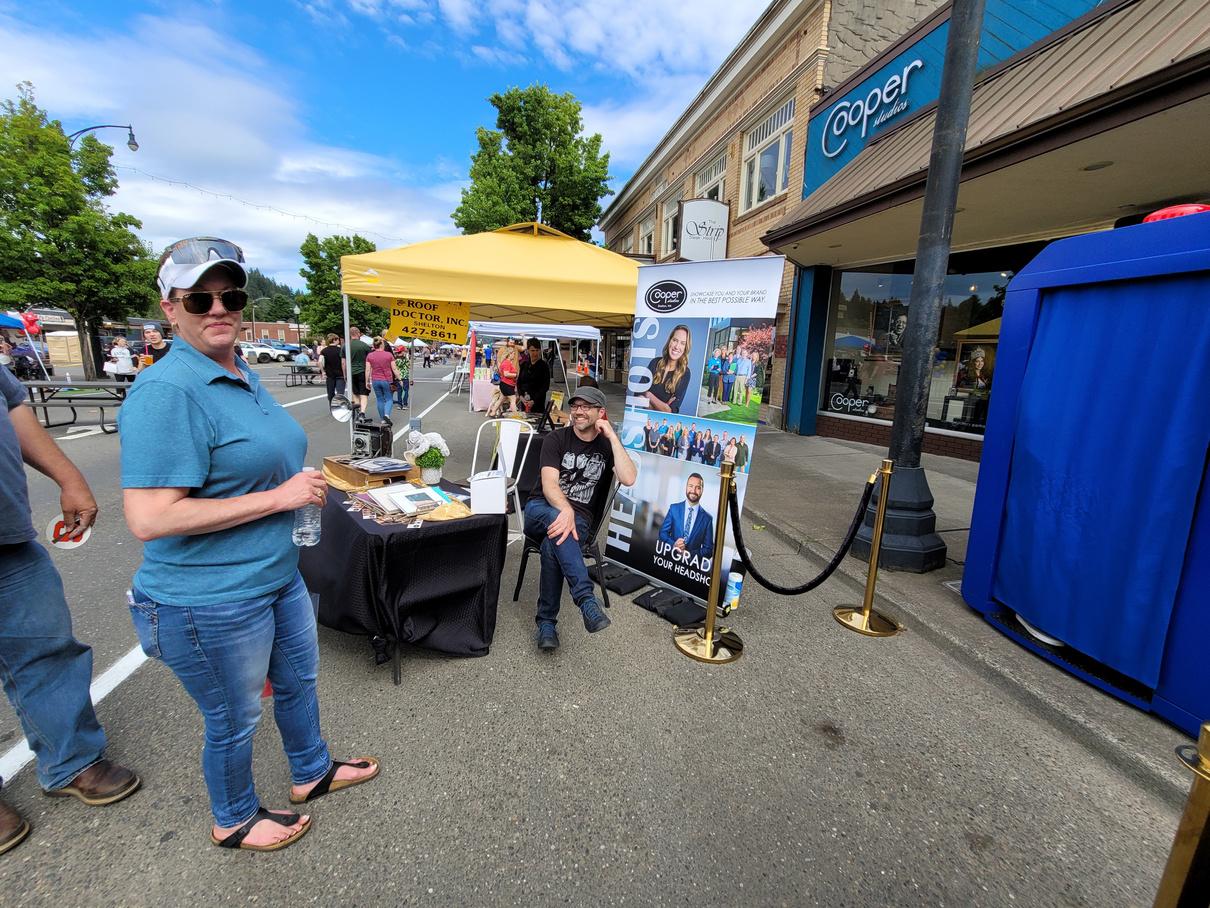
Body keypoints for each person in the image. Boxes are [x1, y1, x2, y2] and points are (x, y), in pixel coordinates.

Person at [119, 236, 378, 853]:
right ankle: (233, 817)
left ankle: (311, 771)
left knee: (298, 681)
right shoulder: (168, 390)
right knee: (234, 717)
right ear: (169, 308)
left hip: (276, 576)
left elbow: (256, 465)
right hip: (210, 597)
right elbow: (149, 518)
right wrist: (279, 498)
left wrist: (295, 485)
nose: (218, 309)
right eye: (199, 299)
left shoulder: (239, 373)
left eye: (229, 296)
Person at [0, 365, 141, 855]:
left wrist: (69, 476)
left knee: (48, 648)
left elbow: (14, 408)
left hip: (9, 538)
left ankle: (71, 761)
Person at [523, 386, 636, 651]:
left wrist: (613, 437)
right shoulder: (556, 439)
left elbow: (629, 478)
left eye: (586, 407)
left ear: (600, 412)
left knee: (553, 542)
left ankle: (546, 624)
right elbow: (549, 485)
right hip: (540, 509)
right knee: (559, 522)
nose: (578, 411)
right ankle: (586, 600)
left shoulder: (606, 446)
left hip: (580, 521)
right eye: (575, 406)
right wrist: (566, 511)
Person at [658, 473, 715, 562]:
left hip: (691, 565)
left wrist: (689, 554)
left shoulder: (707, 519)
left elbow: (708, 550)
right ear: (686, 487)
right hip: (669, 561)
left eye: (698, 487)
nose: (693, 490)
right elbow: (662, 533)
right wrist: (673, 544)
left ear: (702, 490)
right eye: (691, 486)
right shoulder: (674, 508)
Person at [642, 325, 692, 414]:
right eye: (675, 340)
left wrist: (648, 395)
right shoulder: (655, 362)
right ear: (670, 341)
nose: (677, 346)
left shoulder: (685, 373)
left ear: (685, 348)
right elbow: (638, 394)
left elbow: (671, 411)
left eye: (682, 343)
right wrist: (663, 406)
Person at [366, 336, 399, 422]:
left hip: (375, 380)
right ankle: (387, 415)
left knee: (379, 399)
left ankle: (382, 419)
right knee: (389, 398)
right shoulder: (389, 355)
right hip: (386, 380)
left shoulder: (370, 355)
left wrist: (367, 381)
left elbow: (367, 370)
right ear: (381, 344)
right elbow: (394, 369)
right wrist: (399, 378)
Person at [344, 326, 371, 416]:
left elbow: (343, 363)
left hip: (351, 372)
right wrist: (369, 377)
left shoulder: (345, 346)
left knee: (355, 393)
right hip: (362, 371)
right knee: (364, 394)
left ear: (350, 334)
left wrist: (345, 375)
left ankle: (358, 410)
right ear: (358, 334)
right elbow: (369, 362)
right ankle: (362, 412)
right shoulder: (365, 346)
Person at [319, 334, 345, 404]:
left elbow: (320, 362)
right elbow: (343, 362)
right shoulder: (340, 350)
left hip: (330, 375)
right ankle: (340, 406)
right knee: (340, 393)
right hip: (340, 375)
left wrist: (323, 372)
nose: (339, 341)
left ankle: (332, 406)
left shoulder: (324, 351)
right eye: (338, 339)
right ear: (334, 340)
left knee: (330, 393)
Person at [498, 347, 520, 413]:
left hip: (505, 384)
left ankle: (493, 411)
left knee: (501, 400)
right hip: (507, 384)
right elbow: (506, 374)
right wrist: (515, 375)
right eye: (513, 353)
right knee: (513, 399)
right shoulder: (507, 363)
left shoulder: (506, 362)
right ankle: (515, 415)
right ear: (509, 354)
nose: (514, 355)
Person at [393, 344, 410, 409]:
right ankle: (405, 404)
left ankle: (400, 404)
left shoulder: (395, 360)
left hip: (398, 377)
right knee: (406, 391)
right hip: (405, 376)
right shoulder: (405, 359)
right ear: (402, 352)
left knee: (399, 391)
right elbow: (409, 366)